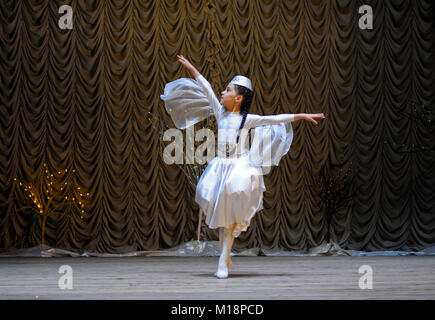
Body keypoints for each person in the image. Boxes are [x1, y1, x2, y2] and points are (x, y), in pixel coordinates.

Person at [161, 55, 325, 278]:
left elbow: (275, 119)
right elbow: (207, 87)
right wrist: (192, 68)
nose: (222, 92)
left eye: (227, 90)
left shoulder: (246, 119)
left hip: (239, 167)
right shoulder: (220, 112)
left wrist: (301, 116)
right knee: (222, 217)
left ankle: (222, 260)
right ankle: (225, 255)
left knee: (231, 213)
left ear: (238, 98)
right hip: (220, 167)